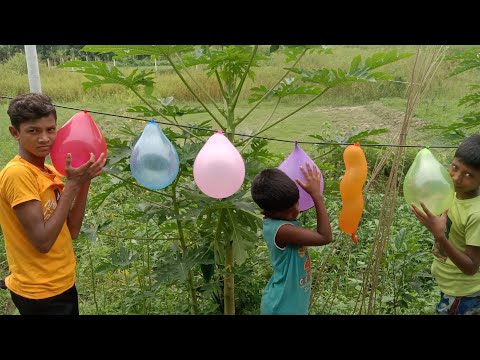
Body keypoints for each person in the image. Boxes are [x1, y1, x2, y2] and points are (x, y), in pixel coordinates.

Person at [0, 93, 106, 315]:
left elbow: (72, 230)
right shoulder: (18, 174)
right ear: (14, 133)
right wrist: (72, 186)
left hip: (62, 283)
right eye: (33, 131)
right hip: (39, 293)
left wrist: (83, 181)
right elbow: (43, 241)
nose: (44, 138)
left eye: (50, 129)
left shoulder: (49, 172)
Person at [411, 134, 480, 315]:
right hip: (451, 287)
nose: (457, 178)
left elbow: (471, 267)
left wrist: (439, 235)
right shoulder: (452, 193)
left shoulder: (477, 213)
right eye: (455, 167)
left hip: (465, 295)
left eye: (468, 175)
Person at [251, 162, 332, 315]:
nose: (296, 210)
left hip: (291, 304)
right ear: (267, 212)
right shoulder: (283, 230)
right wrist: (317, 196)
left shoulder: (281, 220)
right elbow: (325, 237)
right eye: (289, 211)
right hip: (281, 307)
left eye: (296, 203)